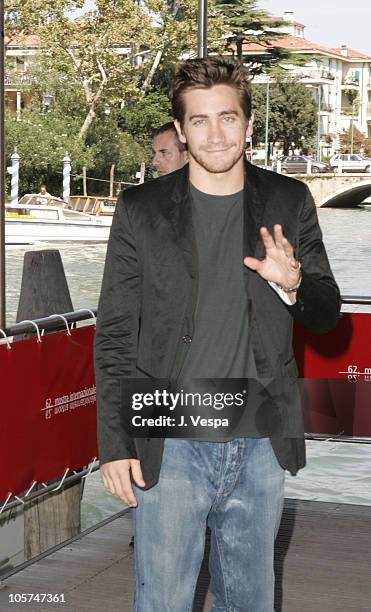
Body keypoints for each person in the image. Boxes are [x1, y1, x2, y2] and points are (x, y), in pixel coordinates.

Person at [94, 58, 341, 611]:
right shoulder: (141, 208)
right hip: (169, 424)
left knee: (250, 602)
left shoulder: (290, 200)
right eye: (199, 122)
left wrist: (292, 282)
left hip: (259, 428)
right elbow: (113, 332)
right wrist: (114, 444)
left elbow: (327, 315)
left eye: (228, 118)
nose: (215, 134)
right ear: (180, 132)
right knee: (163, 602)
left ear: (249, 124)